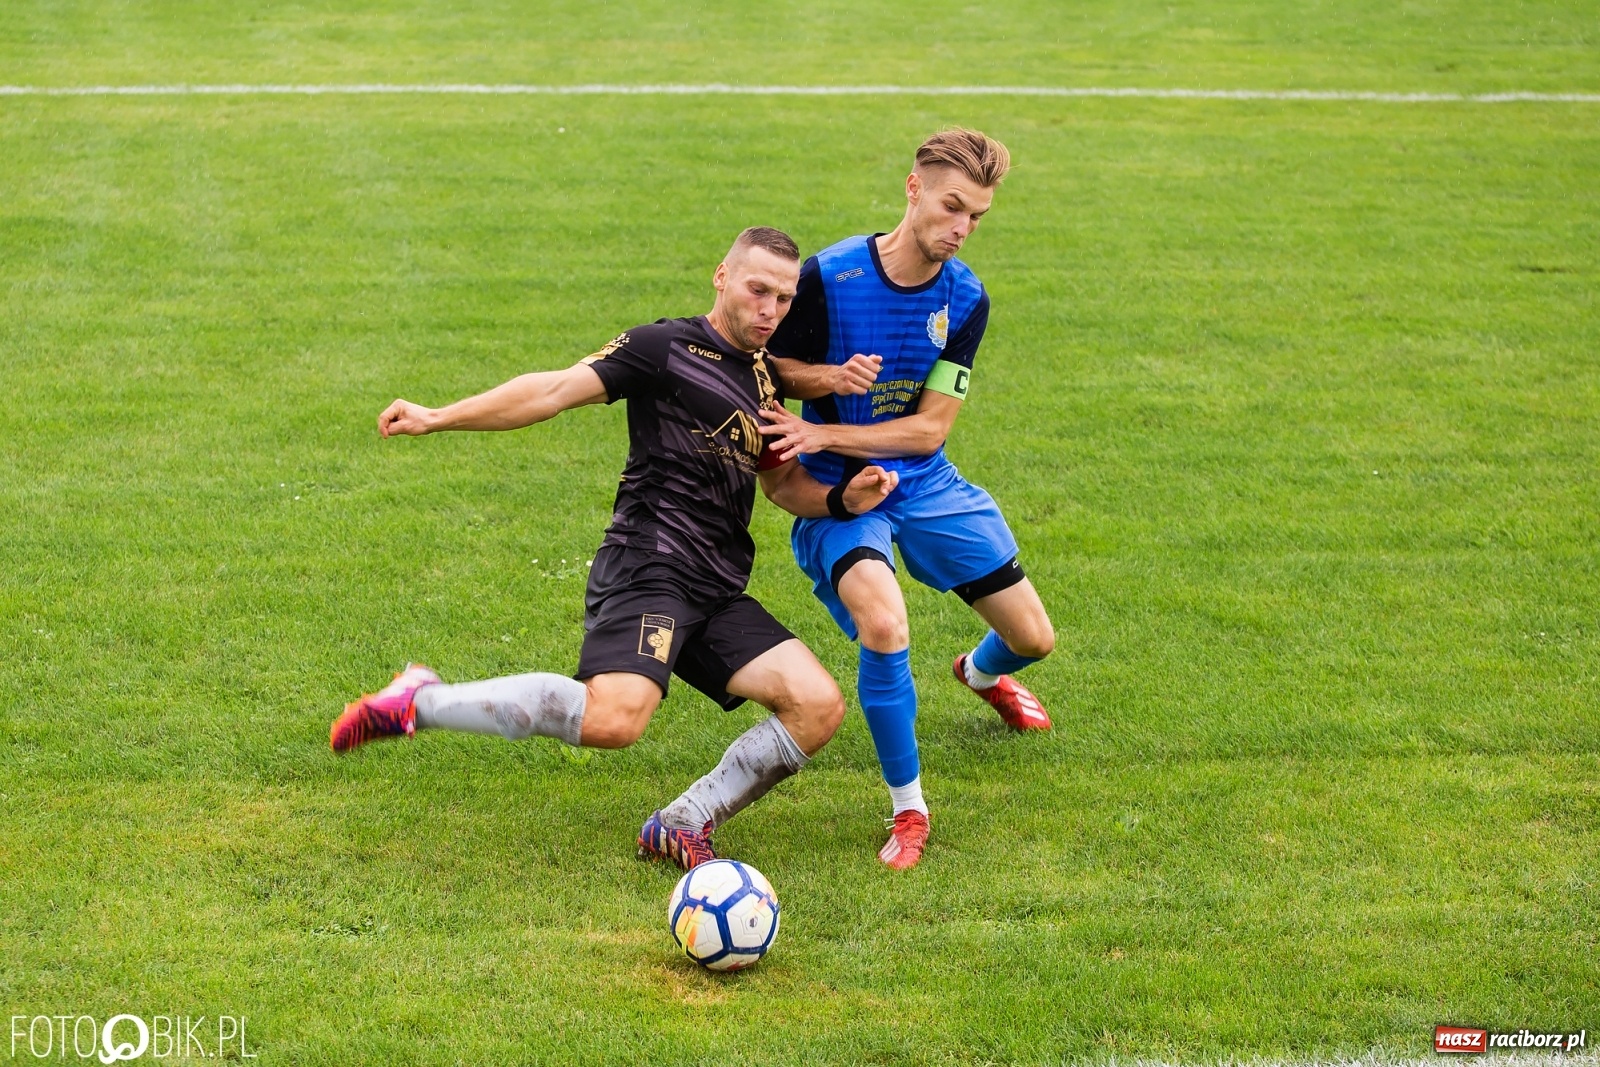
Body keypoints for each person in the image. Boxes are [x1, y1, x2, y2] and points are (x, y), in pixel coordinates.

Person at [330, 226, 899, 871]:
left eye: (784, 299)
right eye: (757, 290)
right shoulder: (663, 347)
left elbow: (781, 484)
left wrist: (843, 501)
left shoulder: (766, 382)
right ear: (722, 276)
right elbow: (550, 391)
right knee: (616, 720)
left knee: (818, 706)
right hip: (651, 565)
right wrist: (438, 415)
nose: (770, 311)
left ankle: (683, 822)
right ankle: (419, 700)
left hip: (716, 585)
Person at [761, 130, 1055, 870]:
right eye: (953, 205)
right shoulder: (829, 276)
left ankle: (981, 673)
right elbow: (769, 368)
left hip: (923, 484)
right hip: (840, 497)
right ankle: (910, 809)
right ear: (914, 189)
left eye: (978, 216)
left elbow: (929, 429)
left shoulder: (967, 299)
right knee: (885, 626)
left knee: (1034, 638)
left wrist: (827, 436)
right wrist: (828, 390)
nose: (961, 227)